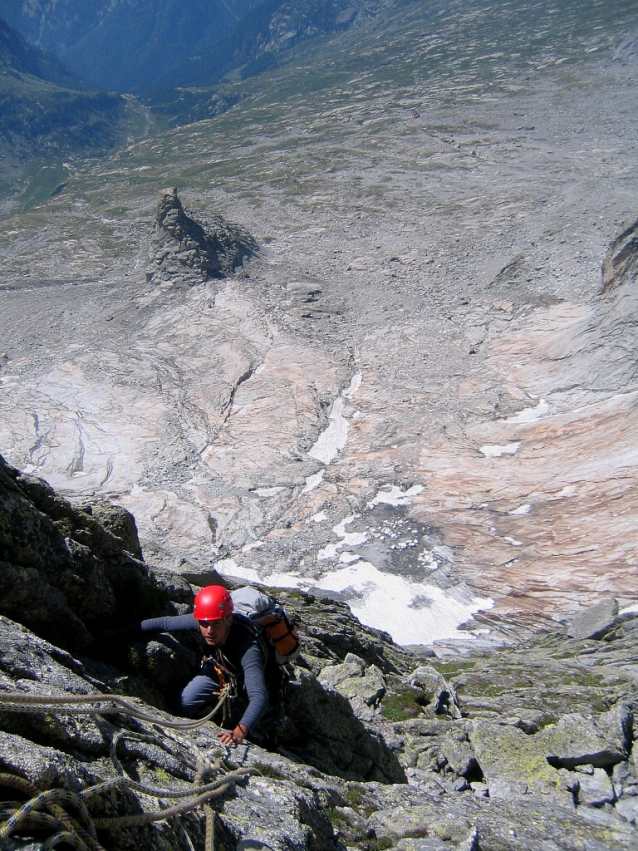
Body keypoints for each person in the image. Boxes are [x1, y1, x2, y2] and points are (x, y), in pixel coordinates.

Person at [132, 585, 271, 746]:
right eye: (204, 624)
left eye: (216, 624)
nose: (209, 630)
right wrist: (122, 631)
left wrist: (239, 731)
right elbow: (165, 623)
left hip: (255, 676)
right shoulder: (207, 618)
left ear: (229, 620)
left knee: (265, 731)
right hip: (223, 669)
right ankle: (214, 709)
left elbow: (259, 696)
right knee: (182, 704)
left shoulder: (247, 647)